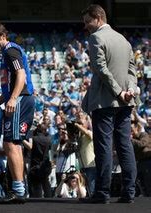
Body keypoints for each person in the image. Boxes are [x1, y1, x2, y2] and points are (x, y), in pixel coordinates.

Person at [80, 4, 137, 204]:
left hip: (105, 101)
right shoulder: (124, 40)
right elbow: (132, 70)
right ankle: (129, 192)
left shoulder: (96, 38)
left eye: (88, 21)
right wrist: (128, 90)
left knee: (103, 146)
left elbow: (102, 70)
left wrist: (119, 91)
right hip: (125, 101)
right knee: (124, 145)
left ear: (98, 17)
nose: (86, 26)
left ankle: (102, 192)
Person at [0, 22, 35, 204]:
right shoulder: (6, 53)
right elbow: (8, 89)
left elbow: (21, 76)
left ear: (3, 36)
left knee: (10, 143)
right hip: (20, 98)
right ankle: (19, 189)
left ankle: (18, 190)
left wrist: (13, 99)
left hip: (21, 99)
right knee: (15, 144)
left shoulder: (10, 51)